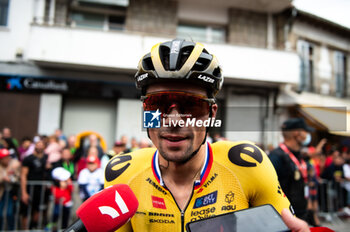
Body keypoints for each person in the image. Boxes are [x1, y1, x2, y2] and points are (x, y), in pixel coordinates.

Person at [104, 39, 309, 231]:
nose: (174, 120)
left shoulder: (247, 165)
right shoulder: (122, 173)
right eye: (158, 104)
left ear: (211, 114)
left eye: (191, 106)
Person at [269, 118, 314, 222]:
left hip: (301, 214)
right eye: (305, 131)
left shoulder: (298, 155)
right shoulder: (276, 157)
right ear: (296, 133)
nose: (307, 135)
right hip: (284, 217)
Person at [20, 139, 50, 230]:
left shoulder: (45, 158)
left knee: (37, 210)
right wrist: (24, 192)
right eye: (38, 144)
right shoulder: (28, 158)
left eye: (42, 145)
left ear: (44, 147)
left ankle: (33, 227)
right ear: (35, 145)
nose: (40, 146)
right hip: (29, 187)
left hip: (40, 189)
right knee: (26, 211)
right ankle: (25, 229)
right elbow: (23, 175)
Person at [0, 148, 21, 230]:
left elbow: (17, 177)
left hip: (11, 192)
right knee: (0, 214)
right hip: (1, 192)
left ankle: (11, 230)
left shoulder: (13, 165)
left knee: (9, 213)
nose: (7, 159)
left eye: (8, 157)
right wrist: (3, 178)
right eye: (4, 158)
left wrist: (12, 178)